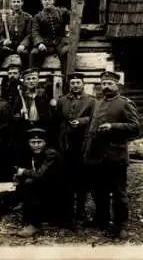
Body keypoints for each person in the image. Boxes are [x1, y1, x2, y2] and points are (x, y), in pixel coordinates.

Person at [83, 71, 140, 239]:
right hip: (96, 155)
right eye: (103, 83)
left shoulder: (124, 104)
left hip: (115, 156)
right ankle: (101, 219)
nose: (106, 87)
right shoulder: (98, 103)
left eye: (109, 83)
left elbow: (135, 127)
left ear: (117, 85)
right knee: (98, 190)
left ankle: (120, 225)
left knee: (118, 192)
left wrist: (113, 127)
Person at [55, 72, 96, 223]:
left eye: (78, 83)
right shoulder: (62, 101)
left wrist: (81, 121)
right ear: (69, 85)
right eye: (72, 83)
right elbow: (57, 120)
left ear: (83, 84)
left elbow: (94, 119)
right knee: (66, 178)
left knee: (81, 180)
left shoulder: (91, 101)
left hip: (82, 145)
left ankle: (80, 210)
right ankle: (67, 211)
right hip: (65, 145)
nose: (75, 85)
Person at [12, 128, 65, 238]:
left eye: (39, 142)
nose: (36, 145)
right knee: (24, 181)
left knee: (30, 183)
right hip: (47, 186)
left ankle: (34, 224)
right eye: (33, 142)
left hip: (58, 190)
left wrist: (23, 172)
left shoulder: (50, 153)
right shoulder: (31, 153)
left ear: (45, 142)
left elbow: (40, 174)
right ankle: (27, 211)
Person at [31, 0, 71, 69]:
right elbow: (35, 31)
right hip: (46, 43)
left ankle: (66, 78)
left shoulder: (62, 12)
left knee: (66, 52)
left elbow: (75, 16)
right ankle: (34, 76)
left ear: (53, 1)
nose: (47, 2)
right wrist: (40, 43)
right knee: (34, 53)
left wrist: (79, 1)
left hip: (61, 42)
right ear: (41, 1)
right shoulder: (38, 16)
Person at [0, 0, 32, 68]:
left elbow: (29, 34)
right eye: (14, 2)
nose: (16, 4)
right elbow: (0, 33)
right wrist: (4, 40)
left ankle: (26, 73)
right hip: (10, 45)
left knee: (25, 54)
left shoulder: (28, 17)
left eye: (18, 1)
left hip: (22, 45)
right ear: (11, 3)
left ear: (22, 3)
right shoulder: (6, 18)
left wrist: (23, 44)